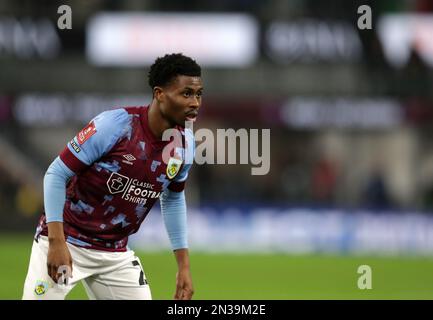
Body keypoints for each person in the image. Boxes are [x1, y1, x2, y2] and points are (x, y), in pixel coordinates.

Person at [22, 53, 203, 300]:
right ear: (159, 94)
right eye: (186, 94)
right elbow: (56, 174)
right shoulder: (116, 125)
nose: (195, 103)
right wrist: (56, 242)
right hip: (67, 240)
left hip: (115, 253)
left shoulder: (185, 145)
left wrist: (183, 267)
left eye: (198, 94)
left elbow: (172, 199)